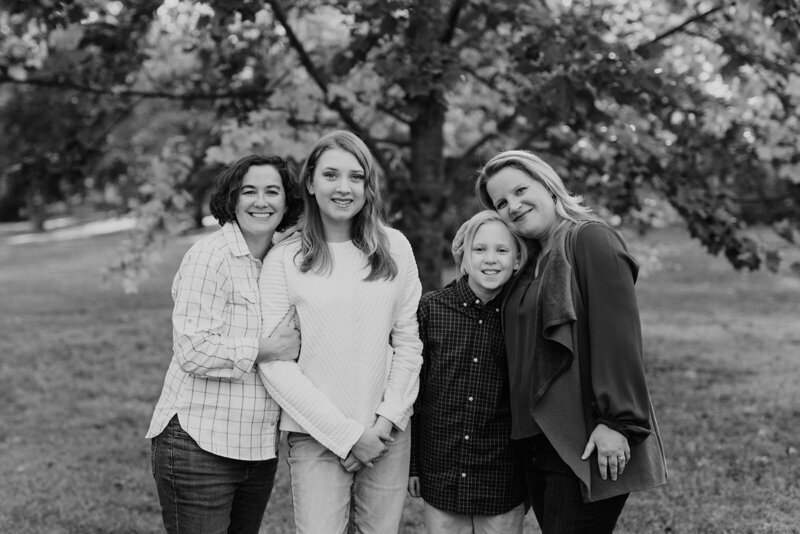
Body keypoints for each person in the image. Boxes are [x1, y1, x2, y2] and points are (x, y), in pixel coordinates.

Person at [474, 150, 668, 533]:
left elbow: (619, 336)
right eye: (501, 202)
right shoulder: (528, 261)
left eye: (520, 190)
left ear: (547, 184)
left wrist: (617, 423)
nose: (513, 205)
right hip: (535, 440)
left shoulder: (590, 239)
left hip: (586, 438)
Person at [256, 130, 423, 534]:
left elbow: (408, 342)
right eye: (331, 175)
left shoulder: (395, 247)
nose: (344, 187)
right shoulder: (284, 260)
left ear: (368, 186)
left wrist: (382, 425)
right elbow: (276, 365)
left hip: (387, 434)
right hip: (315, 436)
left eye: (356, 177)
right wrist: (347, 436)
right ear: (311, 183)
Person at [146, 154, 304, 534]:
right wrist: (266, 348)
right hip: (199, 444)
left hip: (257, 448)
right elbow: (193, 349)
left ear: (287, 201)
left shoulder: (282, 261)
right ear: (232, 199)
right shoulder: (211, 256)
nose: (261, 201)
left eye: (272, 191)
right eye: (249, 191)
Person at [408, 210, 528, 534]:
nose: (491, 259)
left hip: (502, 476)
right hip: (441, 471)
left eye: (502, 251)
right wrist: (414, 465)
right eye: (480, 249)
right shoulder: (431, 310)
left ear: (518, 260)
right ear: (463, 256)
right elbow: (413, 393)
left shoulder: (523, 316)